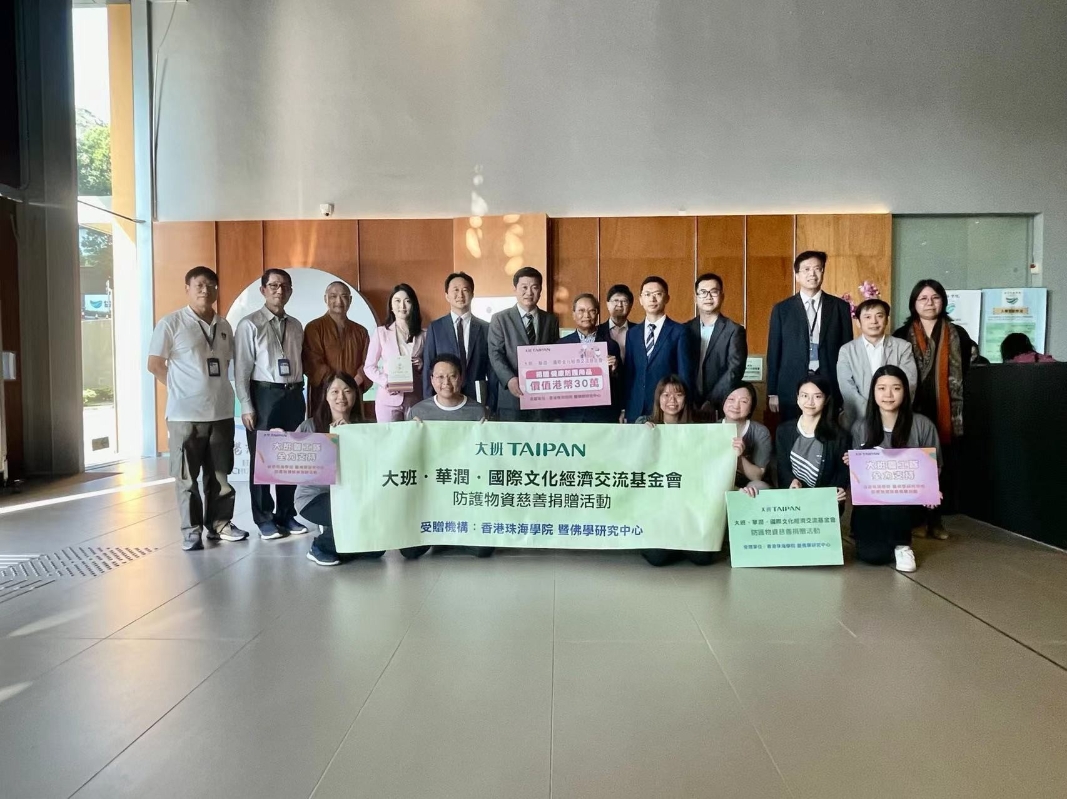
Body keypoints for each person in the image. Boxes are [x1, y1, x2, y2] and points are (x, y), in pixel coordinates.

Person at [148, 266, 248, 551]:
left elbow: (228, 365)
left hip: (221, 412)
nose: (206, 290)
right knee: (187, 477)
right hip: (185, 415)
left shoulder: (224, 325)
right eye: (200, 285)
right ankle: (191, 531)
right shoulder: (171, 323)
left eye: (211, 285)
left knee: (220, 475)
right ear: (187, 289)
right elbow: (154, 364)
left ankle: (219, 524)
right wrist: (180, 389)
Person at [892, 278, 975, 537]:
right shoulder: (901, 335)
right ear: (914, 303)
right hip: (913, 408)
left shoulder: (957, 334)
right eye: (923, 298)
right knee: (914, 465)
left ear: (943, 301)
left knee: (941, 465)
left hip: (945, 410)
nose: (929, 303)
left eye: (935, 298)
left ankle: (936, 520)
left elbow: (967, 372)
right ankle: (917, 520)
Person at [235, 268, 308, 540]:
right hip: (264, 395)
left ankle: (286, 514)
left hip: (293, 394)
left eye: (285, 286)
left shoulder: (296, 325)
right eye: (274, 285)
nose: (280, 290)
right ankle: (264, 518)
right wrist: (246, 404)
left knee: (289, 457)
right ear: (263, 290)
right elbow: (241, 369)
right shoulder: (249, 324)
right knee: (262, 459)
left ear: (290, 291)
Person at [847, 365, 942, 572]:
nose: (888, 395)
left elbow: (934, 467)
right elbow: (858, 478)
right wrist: (852, 464)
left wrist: (932, 489)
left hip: (908, 504)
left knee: (894, 494)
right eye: (881, 388)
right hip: (871, 505)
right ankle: (885, 540)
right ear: (873, 392)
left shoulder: (922, 425)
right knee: (872, 556)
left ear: (905, 391)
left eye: (896, 388)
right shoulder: (861, 427)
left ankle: (902, 545)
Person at [403, 354, 492, 560]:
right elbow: (407, 454)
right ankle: (441, 535)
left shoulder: (477, 411)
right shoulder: (418, 411)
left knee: (484, 550)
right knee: (409, 551)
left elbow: (487, 456)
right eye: (440, 377)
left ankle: (451, 536)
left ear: (461, 378)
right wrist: (409, 433)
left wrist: (488, 432)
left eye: (452, 376)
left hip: (465, 489)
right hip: (430, 491)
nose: (446, 382)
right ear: (432, 379)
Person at [300, 372, 386, 567]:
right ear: (326, 396)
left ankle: (338, 535)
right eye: (335, 392)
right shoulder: (310, 427)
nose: (341, 397)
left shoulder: (367, 427)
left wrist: (353, 435)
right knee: (352, 511)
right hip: (315, 496)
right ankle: (321, 546)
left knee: (375, 550)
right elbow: (290, 460)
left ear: (355, 395)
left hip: (355, 495)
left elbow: (378, 459)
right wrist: (278, 438)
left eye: (347, 391)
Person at [634, 375, 715, 567]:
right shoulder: (644, 423)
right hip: (656, 506)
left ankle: (679, 541)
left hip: (687, 506)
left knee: (703, 558)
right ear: (658, 399)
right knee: (657, 558)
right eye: (666, 395)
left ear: (686, 399)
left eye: (678, 395)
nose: (672, 400)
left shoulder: (697, 429)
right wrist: (641, 436)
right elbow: (634, 461)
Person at [767, 251, 853, 421]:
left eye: (817, 269)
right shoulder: (782, 309)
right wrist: (773, 392)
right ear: (797, 276)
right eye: (806, 269)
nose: (812, 274)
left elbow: (847, 350)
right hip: (791, 386)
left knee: (828, 431)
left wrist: (846, 390)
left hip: (830, 385)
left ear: (823, 272)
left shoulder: (840, 307)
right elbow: (774, 351)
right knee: (793, 430)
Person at [747, 373, 848, 504]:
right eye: (804, 396)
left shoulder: (839, 436)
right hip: (793, 498)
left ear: (826, 400)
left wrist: (836, 493)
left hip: (822, 503)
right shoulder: (784, 430)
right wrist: (791, 481)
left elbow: (841, 473)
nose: (810, 402)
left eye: (817, 396)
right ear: (797, 398)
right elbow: (782, 466)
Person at [487, 266, 561, 421]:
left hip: (542, 397)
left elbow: (555, 353)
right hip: (511, 396)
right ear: (515, 289)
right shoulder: (500, 319)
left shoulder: (550, 320)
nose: (529, 292)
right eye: (524, 287)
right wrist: (509, 379)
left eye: (534, 287)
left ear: (540, 290)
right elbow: (495, 354)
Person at [836, 298, 917, 427]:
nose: (874, 321)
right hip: (858, 419)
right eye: (867, 317)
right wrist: (870, 412)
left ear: (886, 320)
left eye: (879, 316)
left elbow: (909, 382)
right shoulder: (847, 350)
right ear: (858, 322)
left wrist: (888, 411)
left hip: (895, 417)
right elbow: (847, 387)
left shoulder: (903, 347)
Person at [622, 276, 693, 422]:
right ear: (641, 300)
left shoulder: (679, 331)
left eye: (657, 294)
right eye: (647, 294)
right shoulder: (632, 333)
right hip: (635, 408)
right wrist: (624, 408)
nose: (652, 299)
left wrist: (684, 411)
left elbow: (684, 375)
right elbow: (629, 375)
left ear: (667, 298)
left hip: (665, 409)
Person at [422, 272, 496, 409]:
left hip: (477, 399)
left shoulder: (486, 328)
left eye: (465, 290)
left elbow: (492, 370)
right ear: (447, 295)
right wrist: (428, 404)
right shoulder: (436, 327)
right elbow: (428, 367)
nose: (460, 295)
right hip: (444, 398)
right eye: (455, 290)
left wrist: (491, 403)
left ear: (472, 294)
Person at [302, 281, 371, 420]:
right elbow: (312, 362)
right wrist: (336, 385)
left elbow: (368, 363)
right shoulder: (314, 327)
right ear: (325, 299)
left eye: (344, 296)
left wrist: (355, 382)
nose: (339, 301)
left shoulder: (360, 331)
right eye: (333, 296)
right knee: (323, 428)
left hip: (352, 393)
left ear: (350, 300)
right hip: (324, 393)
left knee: (353, 427)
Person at [685, 272, 747, 417]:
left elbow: (734, 370)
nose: (708, 297)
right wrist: (689, 396)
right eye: (703, 292)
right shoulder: (684, 329)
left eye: (714, 292)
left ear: (722, 296)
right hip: (688, 403)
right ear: (695, 298)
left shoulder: (734, 330)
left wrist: (711, 400)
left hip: (720, 404)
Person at [364, 283, 426, 422]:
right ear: (391, 306)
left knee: (413, 434)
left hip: (415, 398)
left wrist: (422, 365)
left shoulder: (424, 335)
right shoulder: (381, 333)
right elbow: (369, 367)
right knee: (389, 435)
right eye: (397, 301)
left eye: (407, 301)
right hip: (388, 399)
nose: (402, 306)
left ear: (413, 305)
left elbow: (431, 367)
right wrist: (385, 381)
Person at [557, 293, 622, 423]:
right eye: (581, 311)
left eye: (591, 311)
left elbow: (620, 384)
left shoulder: (611, 345)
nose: (586, 315)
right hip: (571, 416)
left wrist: (615, 370)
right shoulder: (561, 345)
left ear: (597, 314)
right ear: (573, 314)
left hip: (602, 416)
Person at [720, 383, 773, 492]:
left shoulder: (760, 432)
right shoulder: (712, 429)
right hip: (720, 482)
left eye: (743, 401)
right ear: (723, 402)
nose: (736, 405)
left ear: (751, 408)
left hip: (749, 485)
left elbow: (757, 476)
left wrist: (739, 458)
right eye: (731, 399)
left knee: (759, 487)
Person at [598, 284, 634, 362]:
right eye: (616, 301)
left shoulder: (640, 331)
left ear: (630, 305)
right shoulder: (597, 331)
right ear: (607, 304)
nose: (619, 305)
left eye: (624, 301)